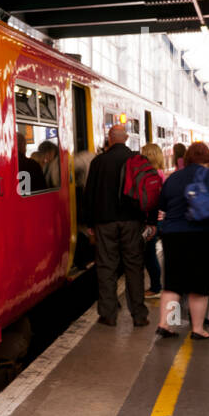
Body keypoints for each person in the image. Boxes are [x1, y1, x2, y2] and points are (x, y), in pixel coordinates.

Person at [155, 142, 209, 339]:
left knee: (173, 283)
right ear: (208, 158)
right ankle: (197, 329)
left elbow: (162, 204)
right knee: (199, 284)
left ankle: (166, 325)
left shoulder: (175, 177)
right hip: (204, 235)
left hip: (174, 235)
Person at [83, 124, 149, 327]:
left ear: (110, 139)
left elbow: (89, 194)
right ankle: (139, 315)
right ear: (127, 138)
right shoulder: (138, 161)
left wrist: (89, 223)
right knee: (134, 267)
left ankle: (109, 314)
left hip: (105, 223)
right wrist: (149, 221)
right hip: (132, 221)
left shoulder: (99, 162)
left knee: (106, 267)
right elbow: (148, 192)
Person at [140, 143, 166, 297]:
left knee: (149, 254)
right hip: (158, 218)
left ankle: (156, 287)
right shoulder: (159, 173)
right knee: (149, 253)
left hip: (152, 219)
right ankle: (155, 285)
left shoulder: (152, 175)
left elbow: (151, 201)